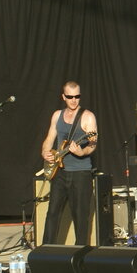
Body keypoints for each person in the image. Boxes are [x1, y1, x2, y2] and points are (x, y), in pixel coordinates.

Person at [40, 80, 98, 245]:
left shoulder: (88, 116)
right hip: (60, 172)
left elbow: (93, 144)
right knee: (52, 214)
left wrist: (82, 151)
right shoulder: (57, 115)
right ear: (63, 96)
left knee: (80, 217)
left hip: (80, 173)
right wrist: (45, 152)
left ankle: (80, 254)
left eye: (77, 96)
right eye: (70, 97)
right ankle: (46, 252)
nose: (74, 100)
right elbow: (49, 139)